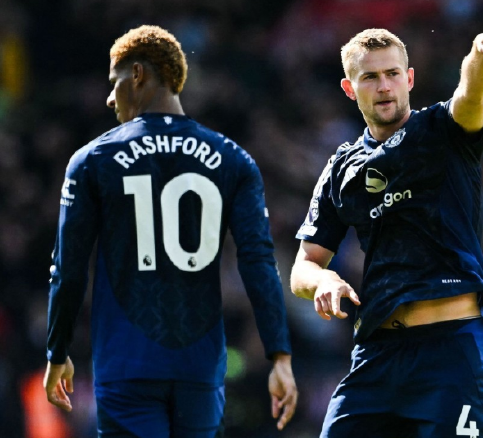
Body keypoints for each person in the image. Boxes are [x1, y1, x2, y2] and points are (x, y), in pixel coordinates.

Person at [43, 25, 297, 437]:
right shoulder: (233, 159)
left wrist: (57, 350)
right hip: (200, 366)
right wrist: (279, 355)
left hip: (127, 364)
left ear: (137, 74)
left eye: (114, 81)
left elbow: (68, 269)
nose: (110, 97)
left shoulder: (93, 160)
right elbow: (259, 263)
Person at [291, 28, 483, 437]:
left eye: (392, 73)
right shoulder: (341, 169)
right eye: (370, 77)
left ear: (409, 79)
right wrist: (323, 280)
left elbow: (471, 95)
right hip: (377, 356)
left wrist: (481, 56)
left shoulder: (443, 130)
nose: (384, 86)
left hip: (449, 350)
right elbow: (303, 266)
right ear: (349, 88)